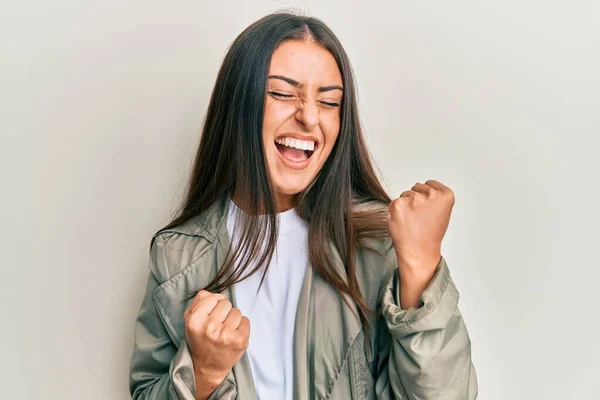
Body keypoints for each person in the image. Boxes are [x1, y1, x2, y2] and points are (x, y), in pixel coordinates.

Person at [129, 11, 478, 400]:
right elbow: (146, 390)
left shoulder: (379, 246)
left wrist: (421, 265)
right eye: (281, 93)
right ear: (238, 103)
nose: (309, 116)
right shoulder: (177, 255)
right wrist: (202, 373)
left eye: (329, 102)